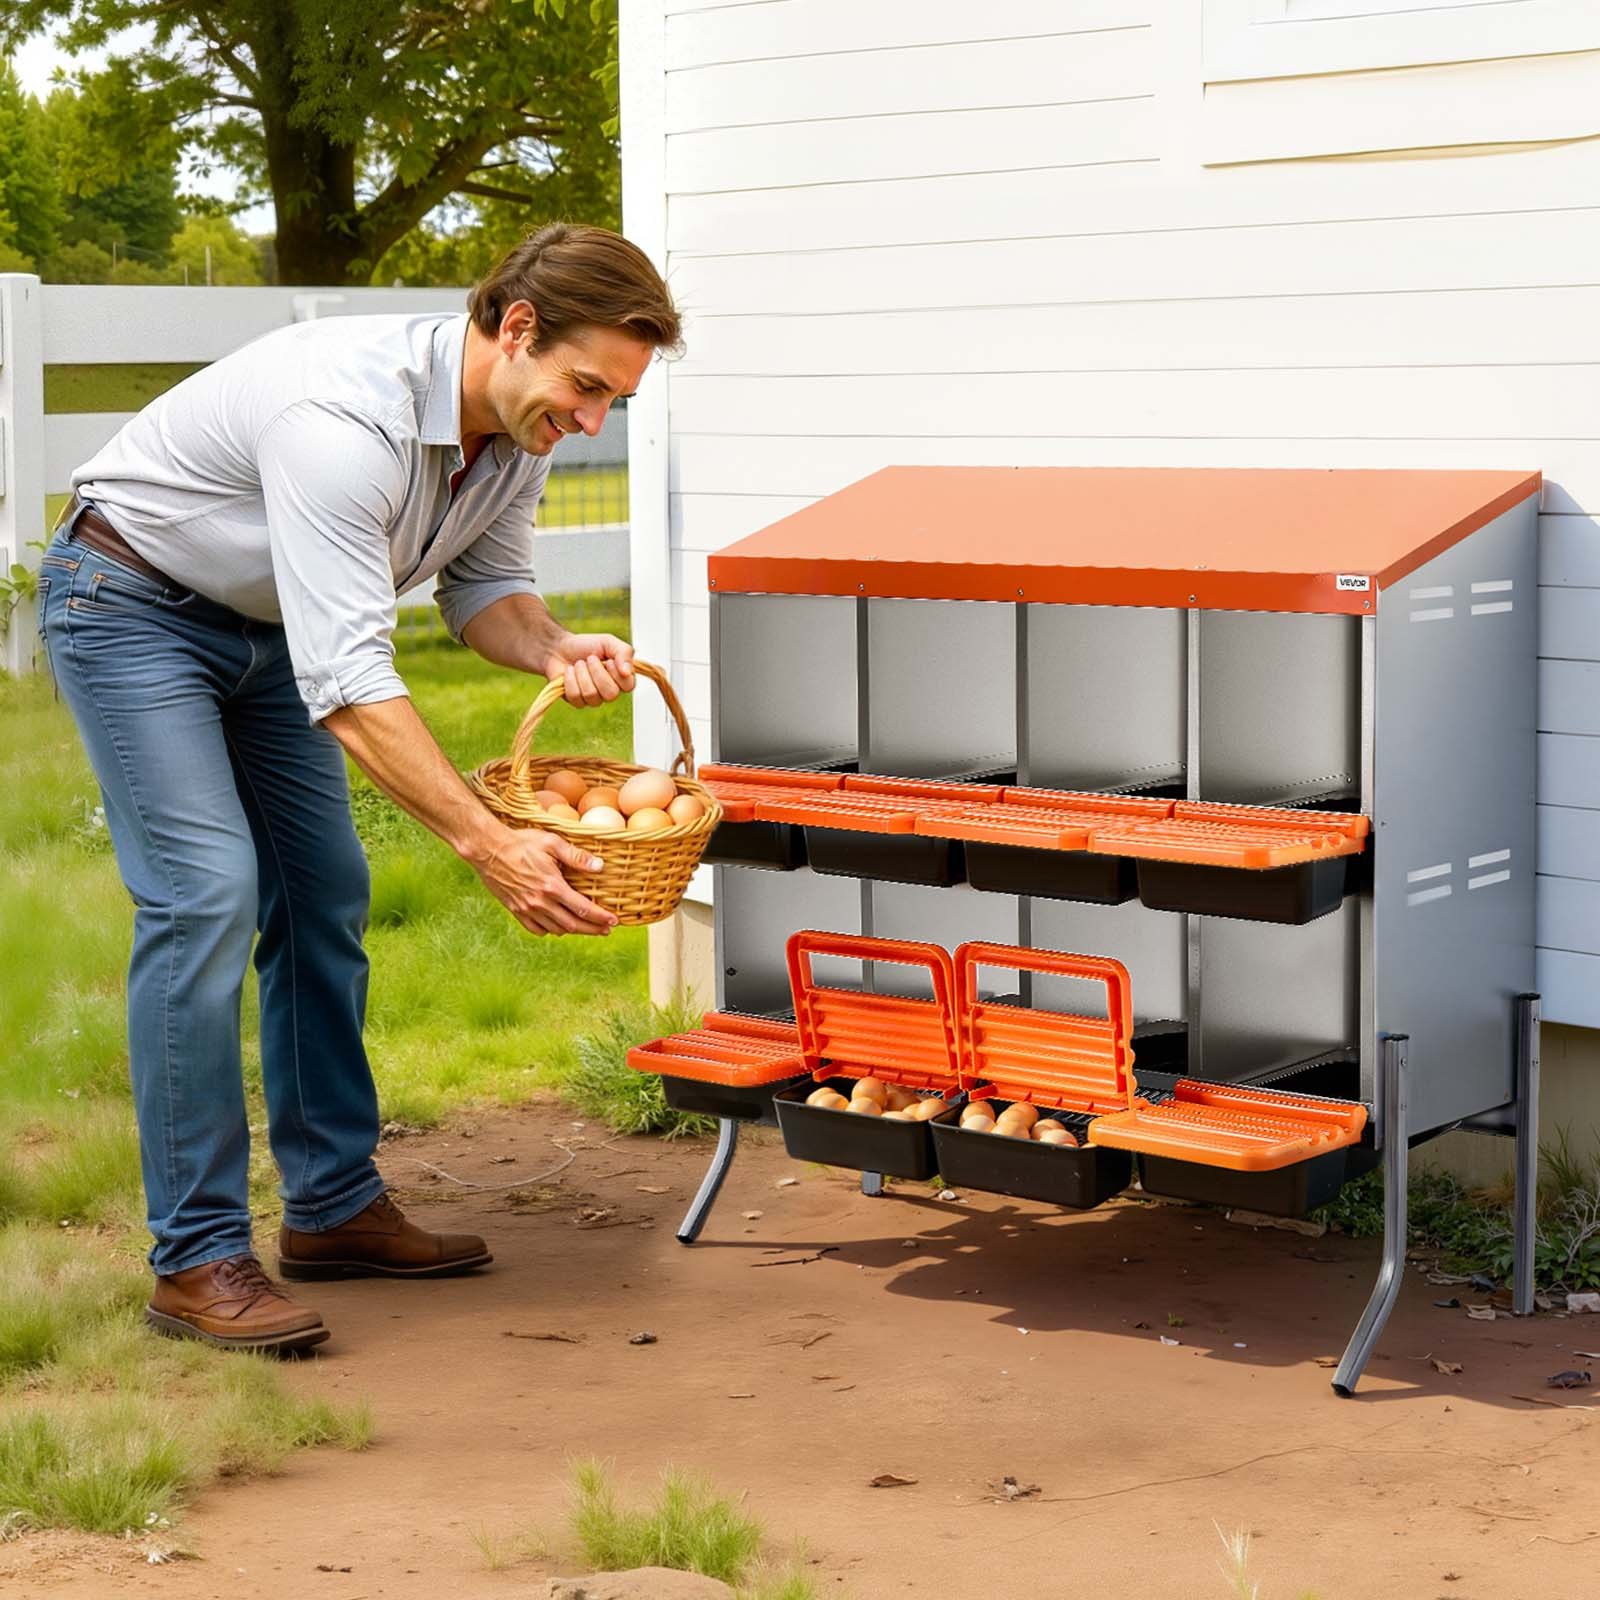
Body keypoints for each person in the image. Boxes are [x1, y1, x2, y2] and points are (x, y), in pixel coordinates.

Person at [37, 223, 682, 1353]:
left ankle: (330, 1207)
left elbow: (486, 595)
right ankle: (194, 1259)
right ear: (515, 327)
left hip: (266, 627)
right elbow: (347, 683)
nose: (588, 422)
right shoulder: (345, 421)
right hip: (132, 603)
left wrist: (553, 646)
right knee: (204, 895)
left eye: (609, 403)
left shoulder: (517, 433)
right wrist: (491, 842)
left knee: (324, 889)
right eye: (585, 387)